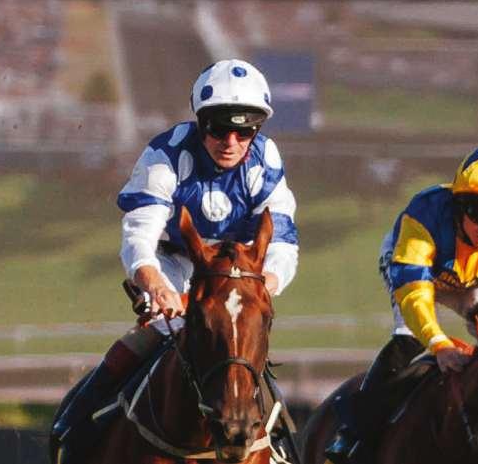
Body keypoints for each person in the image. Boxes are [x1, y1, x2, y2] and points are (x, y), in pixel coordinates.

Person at [52, 58, 299, 446]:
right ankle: (74, 424)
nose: (231, 142)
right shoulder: (164, 155)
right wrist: (155, 285)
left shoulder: (265, 159)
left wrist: (261, 284)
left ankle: (282, 444)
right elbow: (139, 237)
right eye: (219, 129)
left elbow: (282, 240)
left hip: (236, 273)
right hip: (173, 265)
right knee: (151, 335)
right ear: (201, 122)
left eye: (245, 131)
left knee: (242, 343)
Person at [325, 146, 478, 464]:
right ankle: (352, 432)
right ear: (459, 205)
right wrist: (439, 344)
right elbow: (413, 293)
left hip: (477, 281)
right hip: (419, 273)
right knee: (408, 338)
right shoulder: (425, 213)